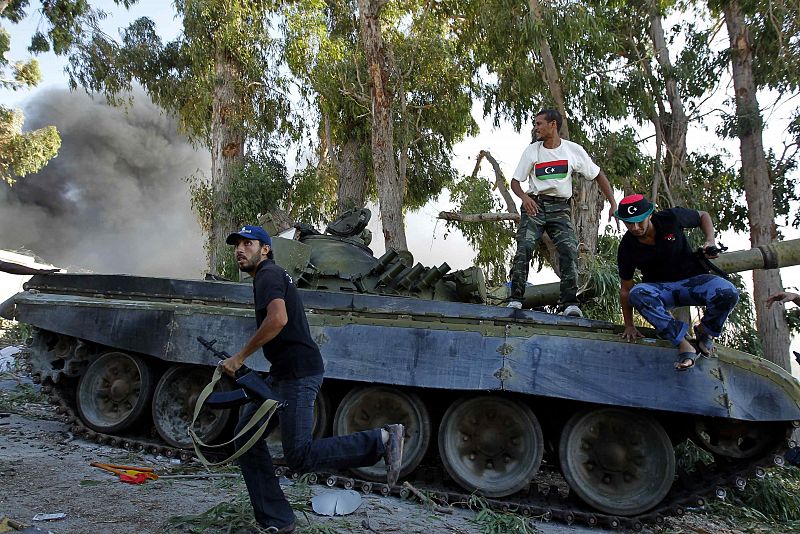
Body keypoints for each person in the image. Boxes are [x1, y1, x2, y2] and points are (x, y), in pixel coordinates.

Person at [221, 225, 404, 534]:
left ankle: (382, 439)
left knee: (299, 455)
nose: (240, 249)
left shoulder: (267, 274)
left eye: (248, 243)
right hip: (283, 373)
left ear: (265, 249)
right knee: (246, 438)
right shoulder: (270, 275)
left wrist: (240, 356)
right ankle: (276, 521)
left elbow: (278, 319)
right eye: (237, 244)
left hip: (297, 374)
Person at [507, 108, 618, 317]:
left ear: (553, 125)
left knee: (568, 250)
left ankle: (569, 304)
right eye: (535, 124)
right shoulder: (532, 151)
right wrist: (525, 198)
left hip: (560, 208)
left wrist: (613, 202)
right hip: (535, 206)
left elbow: (597, 175)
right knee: (525, 246)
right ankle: (515, 299)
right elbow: (515, 182)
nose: (535, 128)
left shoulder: (572, 150)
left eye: (539, 124)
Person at [615, 195, 739, 371]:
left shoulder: (670, 218)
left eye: (639, 221)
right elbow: (626, 290)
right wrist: (629, 325)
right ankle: (682, 342)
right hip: (660, 290)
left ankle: (705, 331)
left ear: (649, 214)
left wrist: (710, 240)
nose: (635, 228)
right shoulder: (626, 247)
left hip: (693, 281)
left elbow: (703, 215)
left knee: (728, 291)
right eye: (629, 223)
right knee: (638, 293)